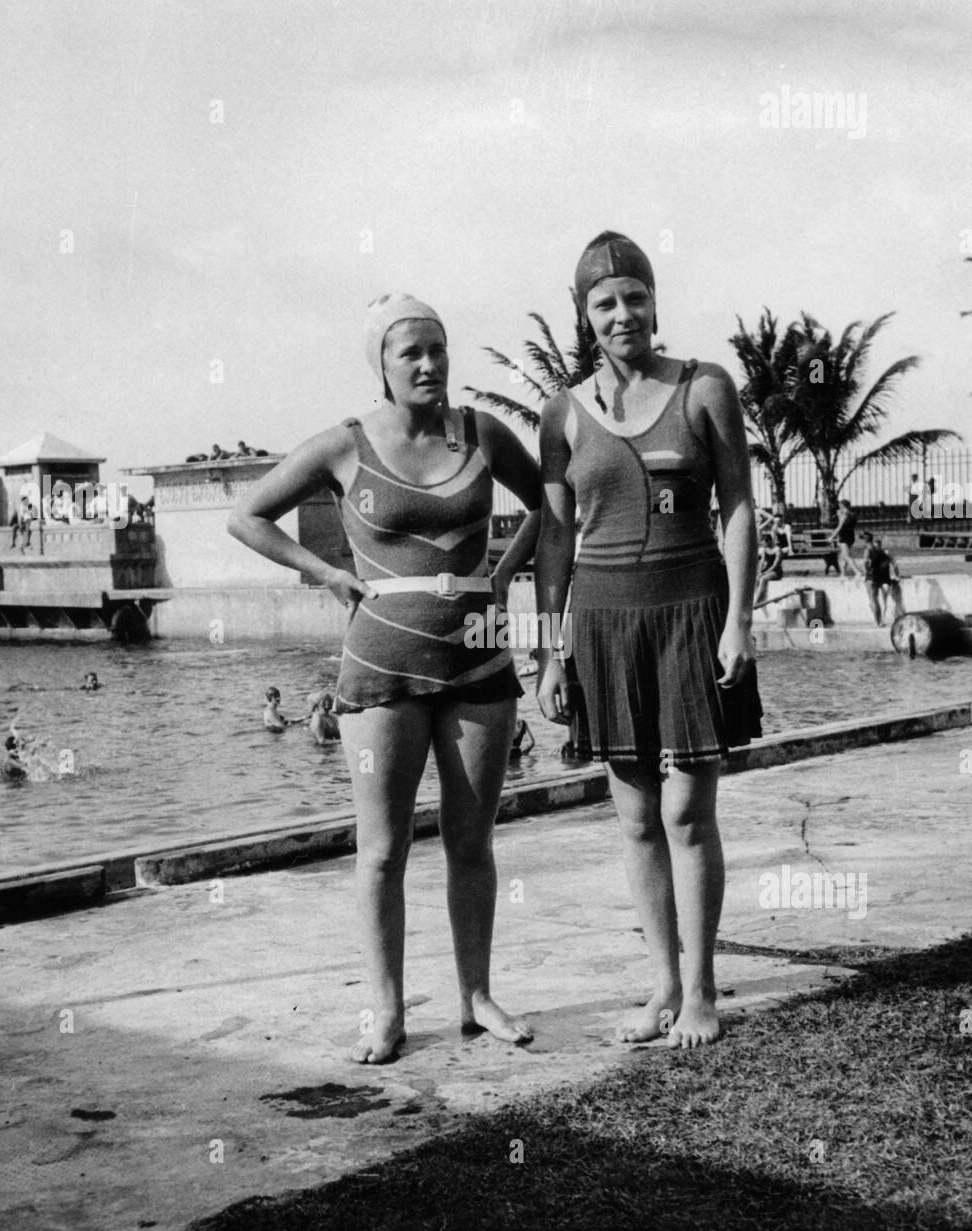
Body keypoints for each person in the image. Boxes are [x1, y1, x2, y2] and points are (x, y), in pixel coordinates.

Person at [228, 293, 543, 1064]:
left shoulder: (482, 432)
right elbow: (248, 515)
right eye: (412, 353)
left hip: (479, 657)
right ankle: (387, 1009)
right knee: (381, 851)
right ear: (382, 364)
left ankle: (476, 998)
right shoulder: (344, 444)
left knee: (473, 841)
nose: (431, 364)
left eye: (439, 349)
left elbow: (551, 502)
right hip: (379, 666)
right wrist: (324, 572)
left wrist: (501, 574)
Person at [535, 231, 761, 1050]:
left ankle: (702, 991)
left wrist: (738, 619)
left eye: (635, 296)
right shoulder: (560, 413)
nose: (622, 313)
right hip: (600, 621)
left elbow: (738, 507)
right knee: (633, 821)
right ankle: (663, 985)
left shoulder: (704, 388)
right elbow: (555, 541)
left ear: (654, 302)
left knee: (687, 812)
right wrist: (550, 652)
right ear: (585, 317)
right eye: (604, 303)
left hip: (690, 614)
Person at [859, 531, 903, 626]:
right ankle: (879, 621)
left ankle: (877, 622)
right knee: (876, 600)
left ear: (865, 540)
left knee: (873, 600)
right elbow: (888, 563)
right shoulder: (879, 550)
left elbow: (866, 563)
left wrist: (864, 572)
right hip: (877, 578)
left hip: (870, 578)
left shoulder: (868, 550)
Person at [829, 499, 860, 578]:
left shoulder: (844, 514)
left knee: (846, 556)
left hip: (844, 536)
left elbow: (840, 526)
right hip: (850, 536)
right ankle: (843, 574)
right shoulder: (852, 515)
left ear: (842, 506)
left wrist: (832, 536)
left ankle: (857, 572)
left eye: (840, 505)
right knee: (844, 556)